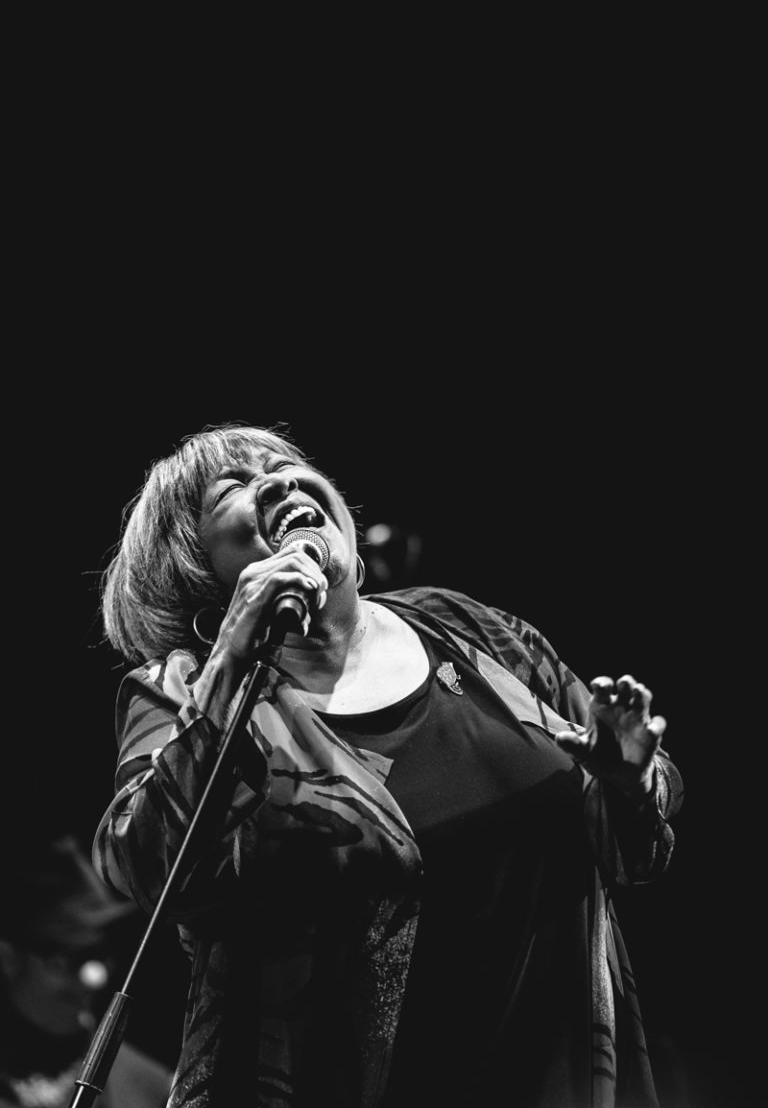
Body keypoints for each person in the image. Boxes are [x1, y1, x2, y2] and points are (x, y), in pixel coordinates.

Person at [92, 422, 683, 1108]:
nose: (280, 482)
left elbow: (637, 840)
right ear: (193, 567)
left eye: (285, 465)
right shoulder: (184, 690)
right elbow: (142, 866)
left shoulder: (467, 629)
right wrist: (230, 659)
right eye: (237, 487)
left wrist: (631, 782)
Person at [0, 833, 172, 1108]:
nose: (95, 977)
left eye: (99, 955)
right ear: (8, 958)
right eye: (67, 959)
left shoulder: (153, 1089)